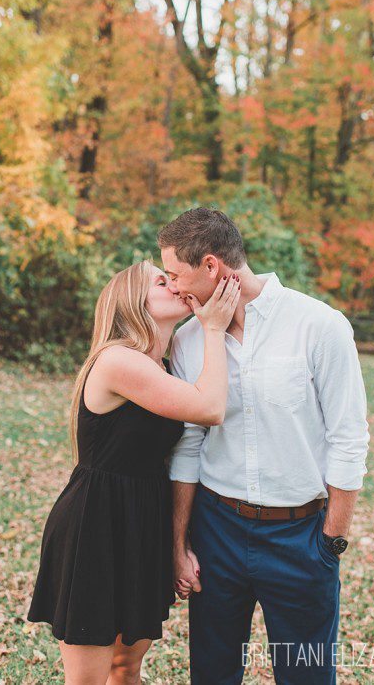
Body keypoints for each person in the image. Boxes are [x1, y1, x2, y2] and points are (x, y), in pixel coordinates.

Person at [160, 207, 370, 684]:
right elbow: (188, 444)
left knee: (306, 677)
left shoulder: (320, 326)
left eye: (176, 275)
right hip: (216, 531)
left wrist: (331, 541)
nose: (172, 287)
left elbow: (348, 437)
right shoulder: (190, 339)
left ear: (211, 266)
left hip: (300, 537)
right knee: (212, 675)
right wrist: (180, 542)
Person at [27, 259, 241, 685]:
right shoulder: (117, 361)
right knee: (88, 679)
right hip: (96, 524)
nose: (176, 286)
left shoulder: (160, 367)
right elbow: (210, 407)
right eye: (163, 281)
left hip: (142, 518)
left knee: (127, 668)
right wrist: (214, 330)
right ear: (132, 302)